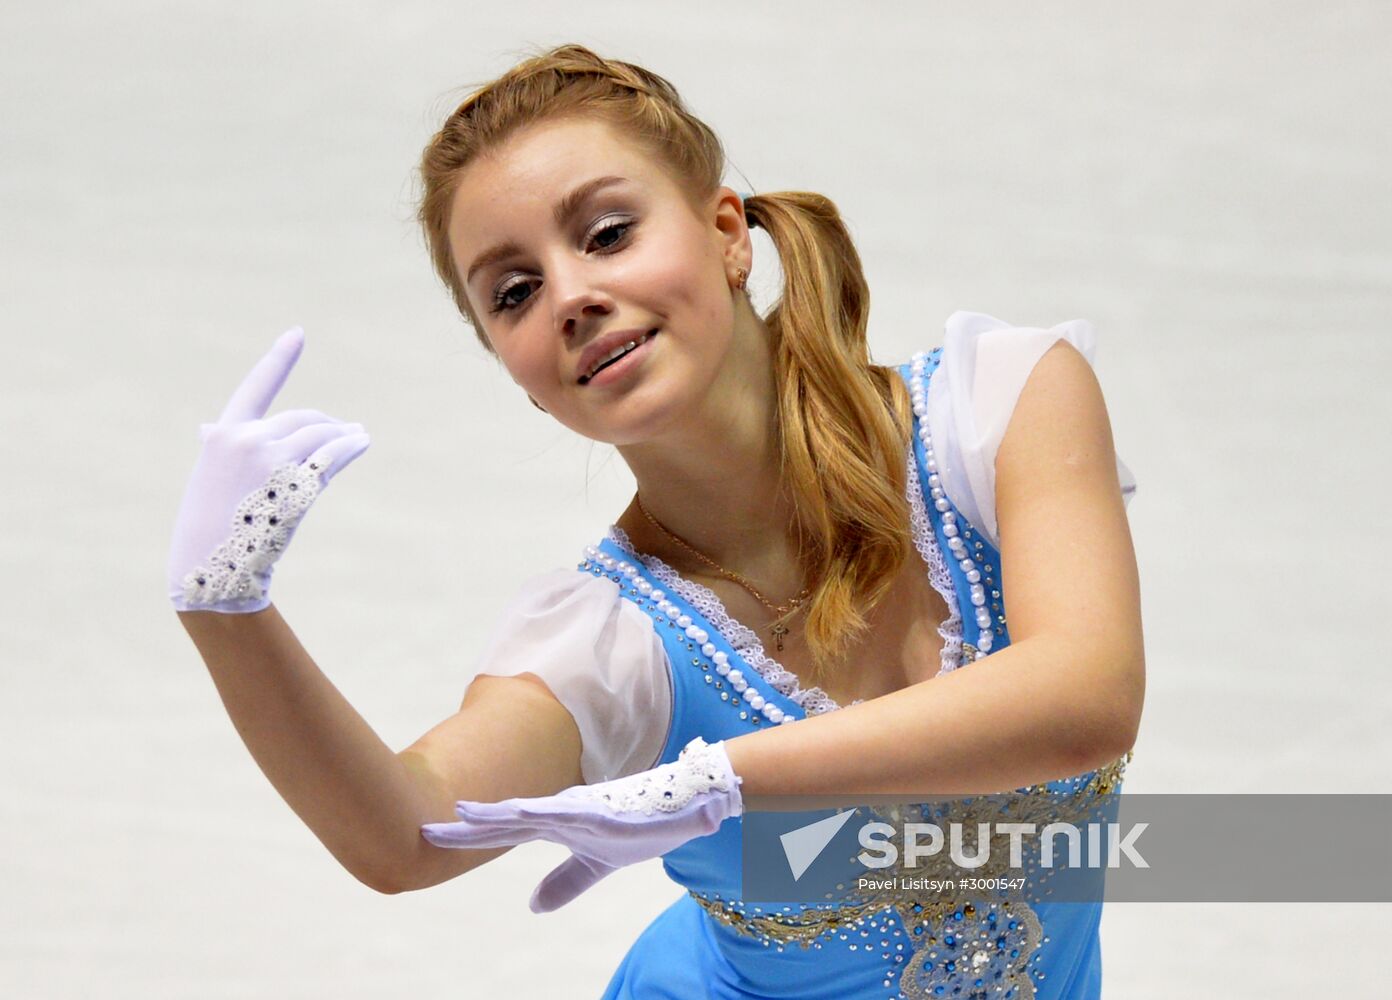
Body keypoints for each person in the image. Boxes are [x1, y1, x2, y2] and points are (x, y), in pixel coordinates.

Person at [168, 44, 1143, 1000]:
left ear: (728, 233)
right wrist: (225, 609)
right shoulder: (613, 644)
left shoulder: (998, 412)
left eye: (605, 234)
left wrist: (719, 779)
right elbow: (406, 835)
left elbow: (1085, 700)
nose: (572, 297)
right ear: (522, 378)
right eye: (514, 293)